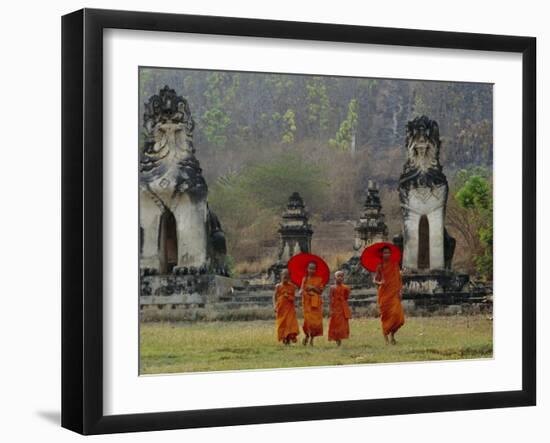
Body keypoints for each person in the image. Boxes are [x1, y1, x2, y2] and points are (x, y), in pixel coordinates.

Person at [373, 246, 405, 345]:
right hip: (384, 294)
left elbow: (399, 279)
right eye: (385, 253)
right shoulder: (380, 266)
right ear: (381, 254)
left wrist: (400, 291)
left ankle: (392, 335)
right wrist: (379, 282)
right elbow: (374, 280)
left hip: (394, 292)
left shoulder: (395, 264)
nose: (387, 254)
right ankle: (386, 337)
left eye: (388, 253)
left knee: (399, 317)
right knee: (386, 316)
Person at [300, 261, 325, 346]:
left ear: (315, 270)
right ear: (307, 269)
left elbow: (320, 291)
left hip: (316, 304)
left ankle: (312, 339)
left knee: (316, 323)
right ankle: (307, 336)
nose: (312, 270)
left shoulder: (319, 279)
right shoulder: (304, 279)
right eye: (310, 268)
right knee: (307, 322)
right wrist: (301, 291)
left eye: (313, 269)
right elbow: (301, 289)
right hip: (307, 303)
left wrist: (313, 288)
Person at [273, 269, 299, 345]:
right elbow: (274, 296)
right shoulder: (278, 286)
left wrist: (288, 297)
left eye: (287, 276)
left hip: (289, 308)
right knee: (282, 324)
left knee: (290, 324)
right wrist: (274, 306)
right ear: (281, 276)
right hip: (281, 308)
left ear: (289, 277)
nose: (285, 278)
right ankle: (284, 338)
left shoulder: (292, 286)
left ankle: (288, 339)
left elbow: (294, 298)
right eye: (284, 276)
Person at [328, 270, 352, 346]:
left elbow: (346, 297)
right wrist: (331, 309)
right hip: (335, 308)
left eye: (341, 276)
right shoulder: (332, 288)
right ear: (334, 277)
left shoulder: (346, 288)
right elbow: (331, 298)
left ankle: (340, 338)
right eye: (338, 276)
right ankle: (337, 339)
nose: (340, 278)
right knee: (335, 324)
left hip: (342, 308)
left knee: (342, 325)